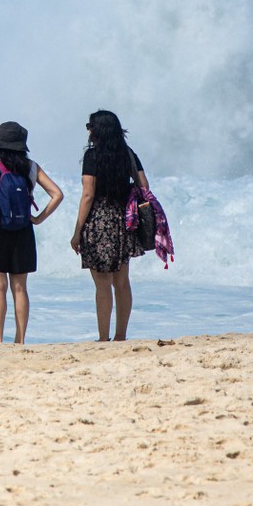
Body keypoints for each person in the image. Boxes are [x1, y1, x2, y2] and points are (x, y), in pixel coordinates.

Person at [0, 121, 64, 344]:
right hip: (23, 230)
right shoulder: (31, 166)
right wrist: (38, 218)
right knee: (20, 287)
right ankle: (20, 339)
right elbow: (57, 194)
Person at [69, 110, 150, 341]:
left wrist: (77, 232)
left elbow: (87, 195)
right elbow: (144, 186)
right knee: (122, 281)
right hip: (124, 220)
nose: (88, 130)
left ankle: (103, 338)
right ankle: (121, 336)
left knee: (102, 284)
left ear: (98, 130)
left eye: (90, 125)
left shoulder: (92, 156)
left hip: (98, 221)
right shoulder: (128, 154)